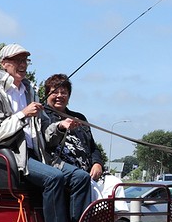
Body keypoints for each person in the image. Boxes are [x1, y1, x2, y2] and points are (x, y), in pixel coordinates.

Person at [0, 44, 91, 222]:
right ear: (4, 64)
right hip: (15, 157)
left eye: (25, 61)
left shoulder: (30, 91)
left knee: (81, 177)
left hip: (40, 155)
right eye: (17, 60)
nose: (22, 65)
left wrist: (60, 127)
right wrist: (23, 114)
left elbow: (45, 132)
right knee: (54, 178)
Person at [43, 73, 125, 204]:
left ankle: (114, 220)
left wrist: (97, 163)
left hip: (89, 171)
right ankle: (90, 221)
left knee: (116, 183)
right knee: (89, 186)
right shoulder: (42, 116)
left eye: (63, 92)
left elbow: (93, 147)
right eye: (54, 92)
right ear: (47, 94)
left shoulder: (79, 118)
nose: (59, 96)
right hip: (65, 170)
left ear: (69, 96)